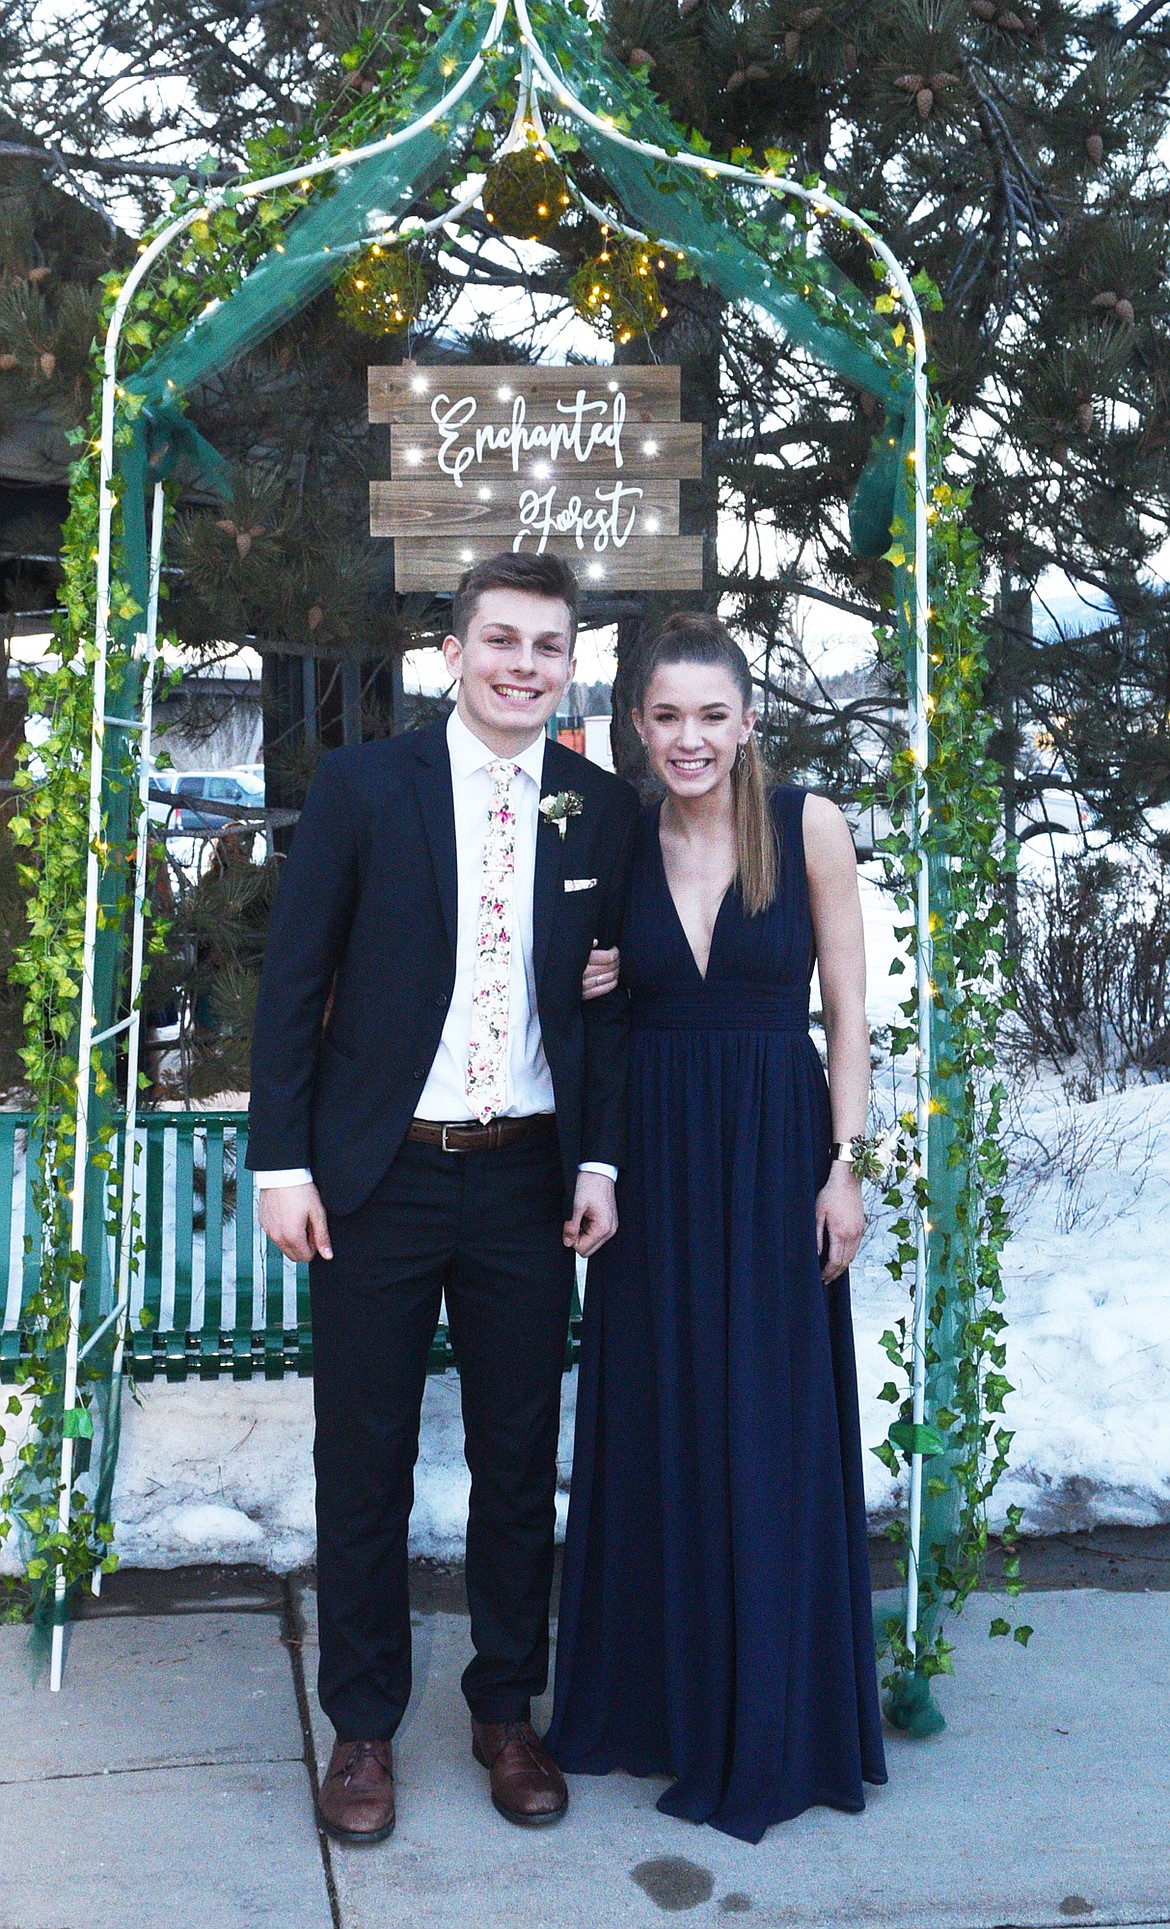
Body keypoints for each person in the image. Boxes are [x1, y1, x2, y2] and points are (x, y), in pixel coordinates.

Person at [247, 551, 638, 1843]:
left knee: (517, 1463)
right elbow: (293, 977)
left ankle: (503, 1711)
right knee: (361, 1459)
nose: (524, 664)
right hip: (380, 1179)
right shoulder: (368, 784)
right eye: (502, 640)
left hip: (527, 1180)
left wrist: (596, 1160)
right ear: (456, 651)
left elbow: (606, 1008)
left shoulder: (595, 805)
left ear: (568, 663)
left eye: (547, 645)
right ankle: (361, 1729)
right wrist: (282, 1162)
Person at [548, 611, 888, 1844]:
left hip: (772, 1150)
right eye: (666, 716)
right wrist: (593, 978)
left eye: (712, 715)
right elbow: (569, 983)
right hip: (652, 1160)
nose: (689, 738)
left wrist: (843, 1166)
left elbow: (848, 1011)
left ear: (749, 724)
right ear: (636, 726)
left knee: (767, 1421)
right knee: (657, 1416)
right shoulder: (620, 842)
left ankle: (775, 1717)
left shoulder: (806, 827)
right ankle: (654, 1707)